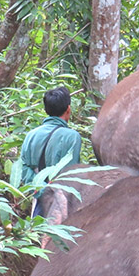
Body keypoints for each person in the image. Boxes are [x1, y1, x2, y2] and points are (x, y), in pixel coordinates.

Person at [16, 86, 83, 216]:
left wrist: (42, 191)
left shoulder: (31, 135)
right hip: (63, 205)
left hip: (39, 203)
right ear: (68, 109)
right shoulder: (72, 137)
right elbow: (71, 175)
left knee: (36, 234)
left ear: (46, 109)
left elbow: (23, 168)